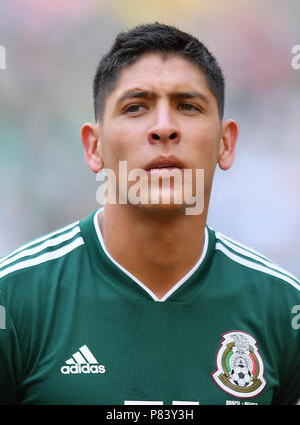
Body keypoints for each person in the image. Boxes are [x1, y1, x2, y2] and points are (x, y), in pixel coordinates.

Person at [0, 23, 299, 405]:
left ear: (226, 144)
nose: (163, 128)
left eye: (188, 106)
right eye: (136, 107)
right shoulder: (15, 300)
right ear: (94, 147)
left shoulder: (284, 309)